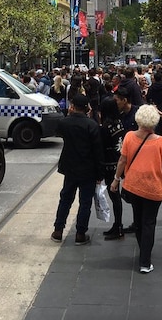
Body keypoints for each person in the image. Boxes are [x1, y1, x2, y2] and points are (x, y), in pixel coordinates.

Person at [109, 105, 162, 274]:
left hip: (133, 185)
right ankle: (145, 260)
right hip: (153, 187)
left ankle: (143, 250)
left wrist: (116, 180)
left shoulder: (129, 137)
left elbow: (122, 160)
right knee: (149, 222)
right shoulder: (160, 141)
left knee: (138, 220)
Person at [51, 94, 103, 246]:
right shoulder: (91, 125)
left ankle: (58, 230)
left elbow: (58, 132)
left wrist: (68, 115)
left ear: (73, 106)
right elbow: (97, 151)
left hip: (70, 167)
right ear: (87, 107)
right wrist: (100, 173)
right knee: (85, 202)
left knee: (66, 198)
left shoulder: (64, 123)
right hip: (88, 169)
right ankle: (80, 233)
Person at [98, 95, 126, 239]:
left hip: (109, 164)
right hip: (119, 161)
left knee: (114, 196)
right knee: (116, 196)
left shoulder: (105, 127)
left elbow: (101, 149)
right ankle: (118, 225)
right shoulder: (119, 123)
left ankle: (118, 226)